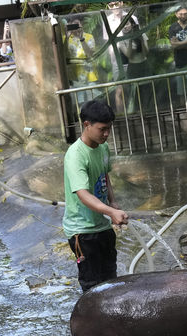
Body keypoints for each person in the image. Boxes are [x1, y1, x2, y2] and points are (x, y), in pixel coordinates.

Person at [63, 100, 128, 292]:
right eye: (102, 129)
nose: (106, 134)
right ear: (86, 125)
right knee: (92, 286)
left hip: (102, 225)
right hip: (82, 232)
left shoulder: (103, 148)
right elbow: (83, 194)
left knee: (110, 279)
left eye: (109, 129)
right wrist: (110, 211)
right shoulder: (76, 155)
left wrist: (113, 202)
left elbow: (104, 177)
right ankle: (91, 321)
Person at [65, 19, 98, 105]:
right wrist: (67, 37)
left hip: (89, 75)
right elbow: (63, 54)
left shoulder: (89, 37)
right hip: (75, 77)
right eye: (73, 25)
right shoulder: (66, 38)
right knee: (79, 102)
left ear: (81, 25)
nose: (75, 27)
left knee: (92, 101)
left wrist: (82, 39)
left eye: (77, 24)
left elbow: (90, 54)